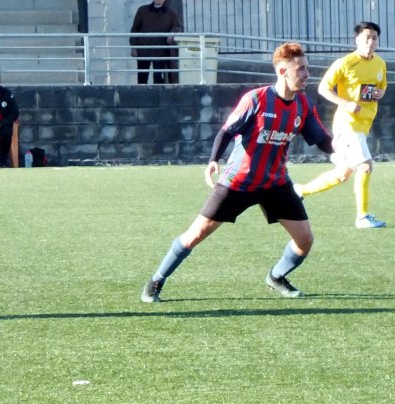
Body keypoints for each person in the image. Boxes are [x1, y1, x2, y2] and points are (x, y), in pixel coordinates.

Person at [140, 42, 333, 303]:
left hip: (275, 183)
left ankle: (276, 276)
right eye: (300, 69)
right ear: (282, 71)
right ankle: (156, 281)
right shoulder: (256, 99)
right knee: (196, 234)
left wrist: (344, 152)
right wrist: (213, 160)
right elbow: (227, 131)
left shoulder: (303, 105)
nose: (306, 74)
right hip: (238, 182)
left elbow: (321, 139)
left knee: (305, 239)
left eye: (306, 68)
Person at [294, 22, 388, 229]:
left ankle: (300, 191)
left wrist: (381, 93)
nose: (370, 42)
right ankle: (362, 217)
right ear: (357, 40)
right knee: (365, 166)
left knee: (342, 174)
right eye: (366, 37)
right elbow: (323, 88)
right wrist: (345, 103)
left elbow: (381, 88)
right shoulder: (345, 63)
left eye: (374, 38)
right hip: (347, 125)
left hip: (363, 126)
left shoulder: (380, 63)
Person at [129, 0, 183, 85]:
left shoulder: (171, 12)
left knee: (158, 77)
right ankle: (142, 96)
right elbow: (135, 29)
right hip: (144, 49)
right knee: (142, 77)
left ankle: (157, 96)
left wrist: (173, 32)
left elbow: (178, 26)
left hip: (160, 51)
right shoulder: (142, 10)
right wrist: (134, 47)